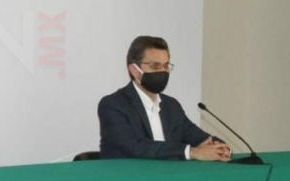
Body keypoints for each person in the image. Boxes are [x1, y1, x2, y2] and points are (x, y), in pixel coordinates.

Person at [98, 36, 231, 161]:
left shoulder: (171, 106)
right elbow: (135, 147)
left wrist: (219, 147)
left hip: (168, 176)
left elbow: (198, 137)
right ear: (135, 70)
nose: (162, 71)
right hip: (127, 176)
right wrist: (190, 152)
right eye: (155, 66)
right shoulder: (113, 105)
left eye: (166, 66)